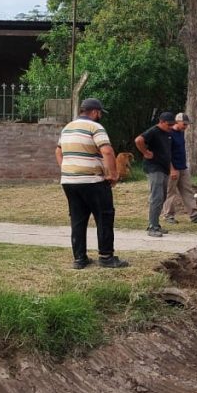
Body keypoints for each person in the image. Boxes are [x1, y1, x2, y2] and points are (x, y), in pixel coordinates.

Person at [55, 97, 129, 269]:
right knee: (104, 216)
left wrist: (67, 168)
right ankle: (106, 257)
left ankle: (80, 259)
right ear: (95, 112)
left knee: (78, 218)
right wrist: (113, 174)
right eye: (100, 112)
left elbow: (58, 151)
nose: (100, 115)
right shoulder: (95, 127)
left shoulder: (68, 127)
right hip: (92, 181)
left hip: (69, 181)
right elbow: (108, 151)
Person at [135, 111, 176, 237]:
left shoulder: (168, 134)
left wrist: (171, 168)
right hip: (154, 168)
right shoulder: (154, 131)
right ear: (161, 122)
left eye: (172, 125)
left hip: (164, 168)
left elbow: (167, 154)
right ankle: (152, 226)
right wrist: (145, 152)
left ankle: (156, 224)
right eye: (169, 125)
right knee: (156, 197)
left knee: (162, 197)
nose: (171, 127)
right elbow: (138, 140)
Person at [162, 112, 197, 225]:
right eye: (184, 124)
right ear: (177, 122)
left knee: (187, 190)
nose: (186, 126)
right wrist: (172, 169)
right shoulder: (169, 133)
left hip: (183, 167)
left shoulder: (181, 133)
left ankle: (194, 214)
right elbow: (166, 153)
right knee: (170, 192)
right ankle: (168, 215)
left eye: (187, 124)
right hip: (173, 168)